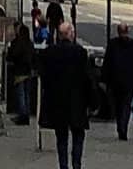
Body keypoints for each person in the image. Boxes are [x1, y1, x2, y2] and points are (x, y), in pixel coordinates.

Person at [39, 22, 94, 169]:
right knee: (78, 135)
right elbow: (87, 79)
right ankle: (76, 164)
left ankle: (63, 165)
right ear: (70, 34)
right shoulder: (80, 53)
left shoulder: (50, 52)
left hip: (58, 101)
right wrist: (92, 102)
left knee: (61, 136)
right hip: (77, 101)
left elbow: (44, 76)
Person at [102, 23, 133, 140]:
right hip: (128, 81)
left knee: (118, 106)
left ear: (118, 32)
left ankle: (120, 127)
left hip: (115, 80)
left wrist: (104, 79)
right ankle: (123, 127)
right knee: (126, 106)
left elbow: (107, 63)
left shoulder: (112, 44)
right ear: (128, 31)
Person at [7, 22, 36, 125]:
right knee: (27, 95)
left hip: (19, 71)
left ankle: (22, 115)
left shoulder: (18, 43)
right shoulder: (30, 43)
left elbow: (13, 55)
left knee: (20, 95)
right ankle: (26, 114)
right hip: (28, 72)